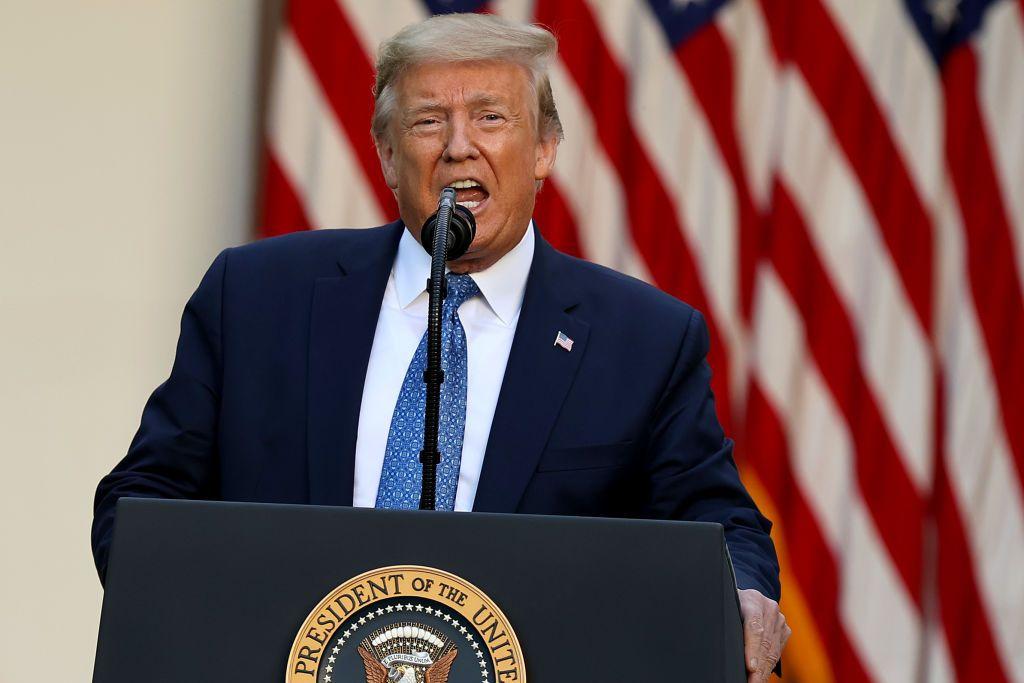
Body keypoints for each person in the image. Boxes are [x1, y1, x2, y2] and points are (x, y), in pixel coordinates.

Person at [92, 12, 790, 681]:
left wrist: (742, 595)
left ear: (544, 149)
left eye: (491, 117)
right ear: (388, 157)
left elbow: (719, 520)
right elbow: (143, 501)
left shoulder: (642, 339)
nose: (459, 146)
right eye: (428, 121)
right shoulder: (255, 297)